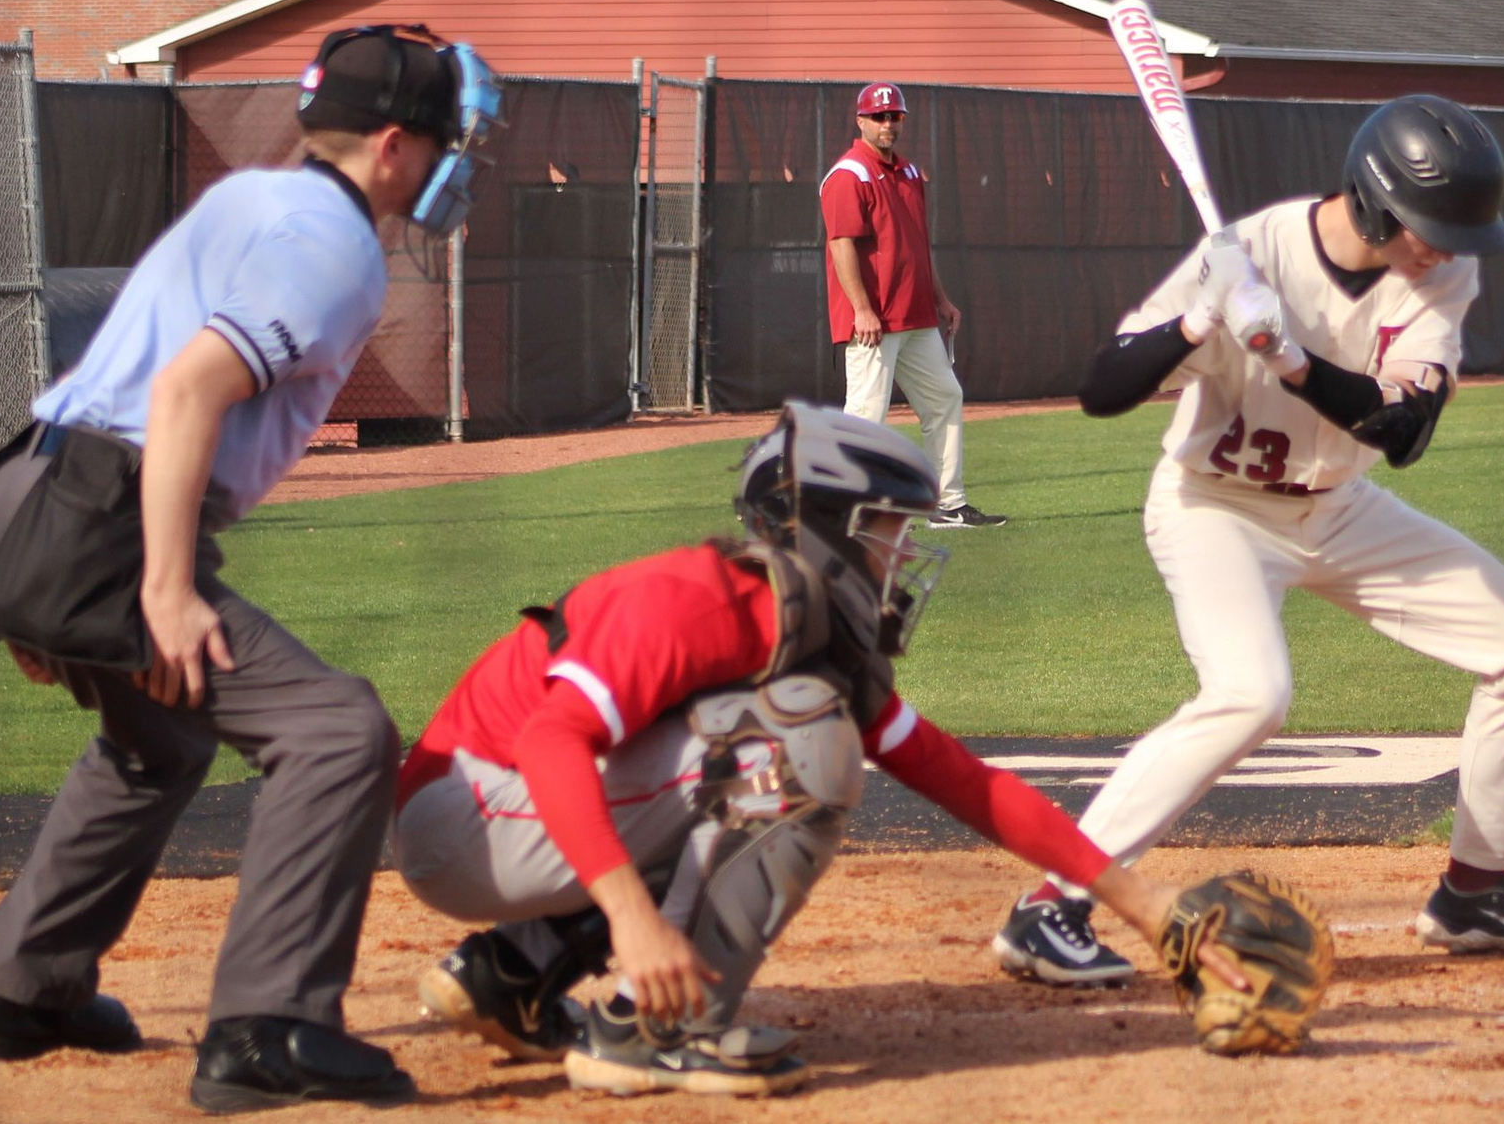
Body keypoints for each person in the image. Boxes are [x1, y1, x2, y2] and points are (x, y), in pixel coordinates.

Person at [0, 23, 503, 1113]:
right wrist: (164, 591)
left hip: (27, 494)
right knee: (337, 732)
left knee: (164, 736)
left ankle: (23, 992)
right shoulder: (336, 243)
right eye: (435, 143)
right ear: (390, 146)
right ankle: (268, 1028)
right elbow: (186, 390)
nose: (443, 164)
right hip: (103, 514)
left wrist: (51, 592)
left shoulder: (248, 199)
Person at [394, 402, 1242, 1096]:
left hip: (500, 815)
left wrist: (1144, 904)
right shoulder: (697, 601)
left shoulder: (804, 632)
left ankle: (513, 974)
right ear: (826, 528)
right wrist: (631, 917)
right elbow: (550, 741)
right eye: (888, 530)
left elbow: (964, 781)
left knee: (775, 745)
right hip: (469, 813)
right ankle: (662, 1031)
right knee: (800, 741)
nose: (903, 553)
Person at [992, 94, 1504, 988]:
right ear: (1374, 201)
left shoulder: (1440, 275)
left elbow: (1404, 432)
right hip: (1215, 507)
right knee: (1252, 694)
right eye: (1430, 228)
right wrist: (1197, 321)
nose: (1444, 249)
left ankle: (1473, 892)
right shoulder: (1250, 252)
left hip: (1339, 506)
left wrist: (1292, 362)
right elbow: (1102, 388)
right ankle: (1053, 900)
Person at [820, 80, 1005, 530]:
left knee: (945, 399)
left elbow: (915, 246)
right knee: (866, 415)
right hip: (874, 319)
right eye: (878, 116)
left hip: (915, 314)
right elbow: (841, 245)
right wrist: (862, 308)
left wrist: (940, 298)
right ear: (861, 121)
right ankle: (843, 511)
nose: (887, 123)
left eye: (894, 116)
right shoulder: (849, 174)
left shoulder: (907, 172)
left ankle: (948, 504)